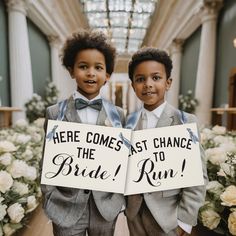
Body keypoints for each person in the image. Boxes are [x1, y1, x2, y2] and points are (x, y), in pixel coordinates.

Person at [41, 30, 125, 236]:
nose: (90, 73)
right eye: (83, 66)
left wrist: (118, 199)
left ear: (107, 75)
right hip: (65, 206)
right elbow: (46, 160)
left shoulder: (118, 115)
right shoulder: (54, 113)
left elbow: (121, 160)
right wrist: (50, 197)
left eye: (98, 67)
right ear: (71, 70)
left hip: (105, 208)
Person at [125, 47, 208, 236]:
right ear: (133, 85)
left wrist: (184, 222)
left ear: (168, 82)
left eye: (156, 78)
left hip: (169, 219)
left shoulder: (185, 121)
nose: (148, 84)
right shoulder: (126, 123)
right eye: (140, 79)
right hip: (135, 216)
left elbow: (197, 178)